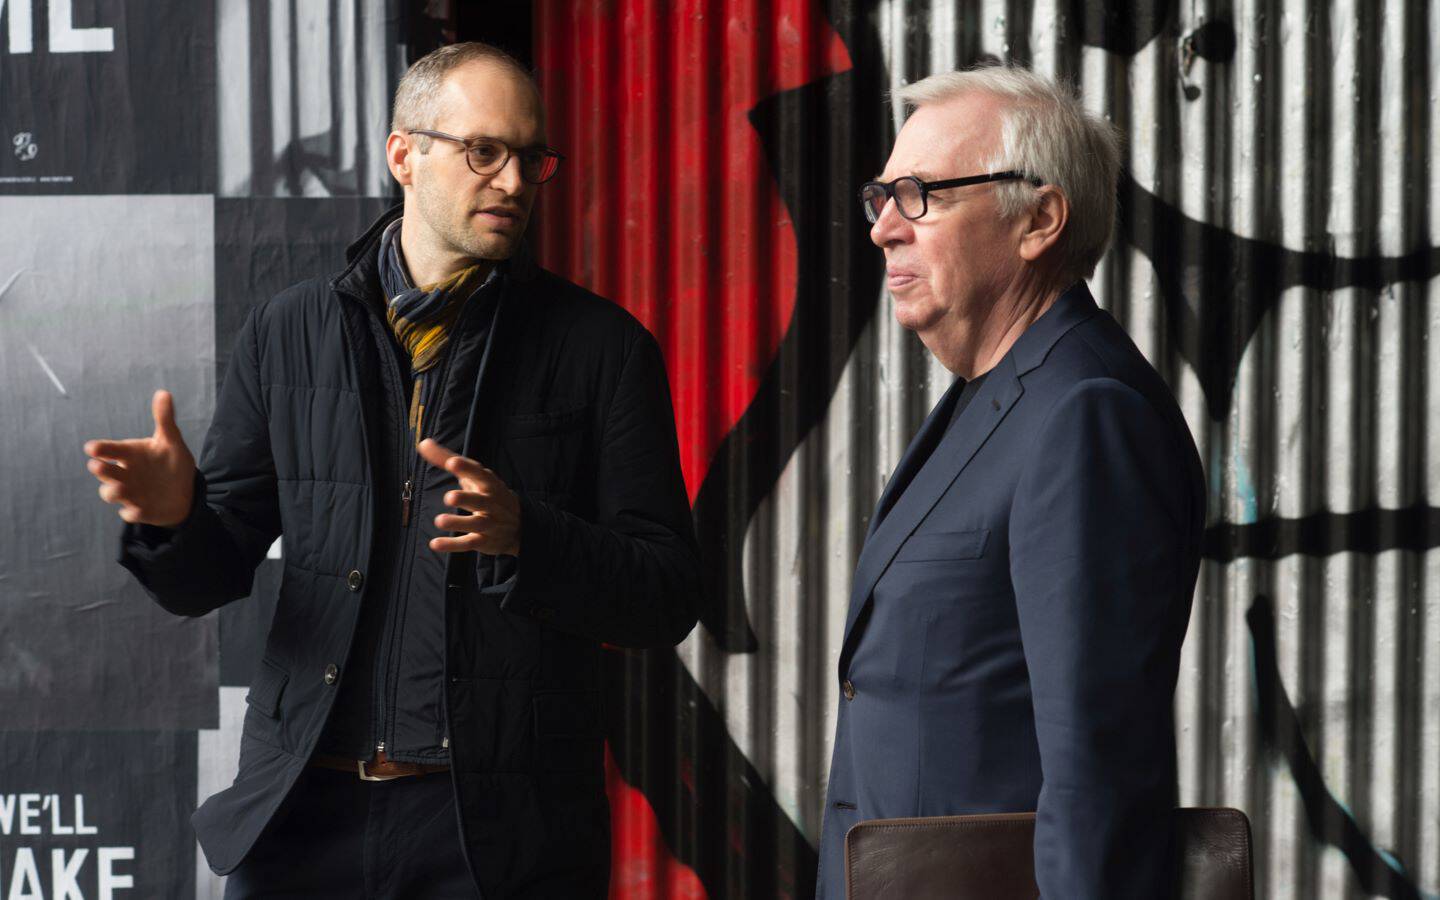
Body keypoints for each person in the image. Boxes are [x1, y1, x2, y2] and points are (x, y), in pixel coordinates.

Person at [84, 42, 699, 899]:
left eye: (532, 158)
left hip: (494, 840)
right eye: (484, 151)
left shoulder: (601, 349)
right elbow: (207, 575)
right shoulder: (287, 331)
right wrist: (171, 519)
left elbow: (667, 593)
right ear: (403, 154)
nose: (515, 182)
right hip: (299, 820)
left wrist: (530, 537)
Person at [816, 66, 1206, 899]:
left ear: (1039, 220)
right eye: (880, 195)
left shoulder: (1086, 414)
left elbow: (1099, 772)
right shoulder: (990, 398)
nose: (884, 227)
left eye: (919, 194)